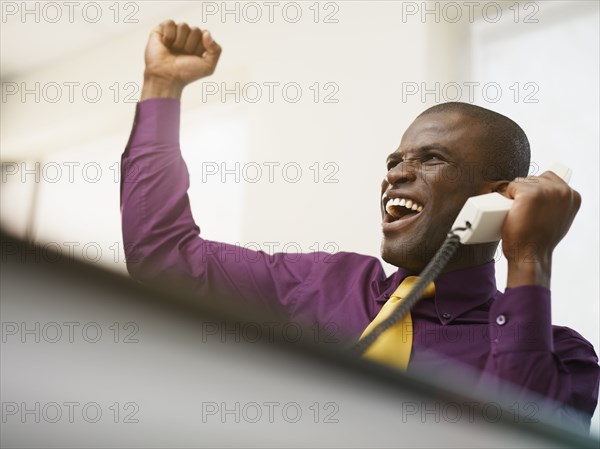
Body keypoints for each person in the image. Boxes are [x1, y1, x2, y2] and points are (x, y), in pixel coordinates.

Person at [120, 21, 600, 430]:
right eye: (395, 161)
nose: (396, 173)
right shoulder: (320, 283)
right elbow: (163, 257)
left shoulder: (563, 355)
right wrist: (162, 88)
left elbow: (519, 430)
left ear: (498, 200)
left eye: (431, 159)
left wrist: (529, 257)